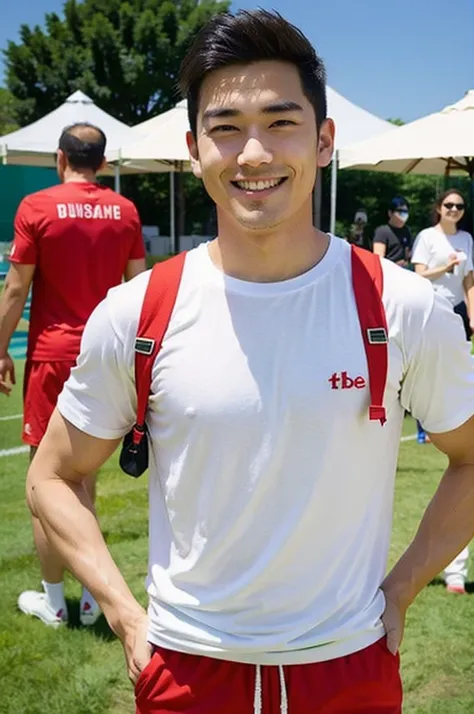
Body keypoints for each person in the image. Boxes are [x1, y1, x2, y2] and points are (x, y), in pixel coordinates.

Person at [25, 11, 474, 714]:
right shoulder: (139, 312)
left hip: (348, 666)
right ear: (195, 147)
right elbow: (52, 475)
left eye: (281, 121)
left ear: (325, 140)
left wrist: (402, 586)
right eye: (226, 127)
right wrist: (123, 612)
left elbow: (471, 456)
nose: (254, 153)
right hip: (187, 670)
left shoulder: (403, 307)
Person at [0, 123, 146, 628]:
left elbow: (16, 290)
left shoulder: (36, 207)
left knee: (47, 481)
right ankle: (90, 598)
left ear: (60, 158)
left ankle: (56, 601)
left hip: (53, 353)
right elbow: (138, 288)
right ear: (102, 164)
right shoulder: (124, 210)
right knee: (81, 478)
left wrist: (0, 351)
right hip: (107, 353)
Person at [411, 189, 474, 593]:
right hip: (427, 318)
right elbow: (416, 278)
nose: (454, 211)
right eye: (449, 206)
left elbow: (469, 281)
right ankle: (428, 425)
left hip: (456, 323)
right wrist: (444, 267)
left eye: (460, 207)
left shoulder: (467, 239)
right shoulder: (428, 238)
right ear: (438, 210)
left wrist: (473, 315)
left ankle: (455, 570)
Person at [372, 196, 413, 266]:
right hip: (388, 271)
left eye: (406, 212)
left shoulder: (406, 231)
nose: (403, 215)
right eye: (400, 212)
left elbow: (407, 253)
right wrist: (394, 265)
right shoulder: (382, 231)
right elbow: (378, 259)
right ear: (390, 213)